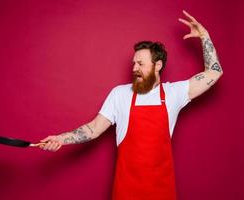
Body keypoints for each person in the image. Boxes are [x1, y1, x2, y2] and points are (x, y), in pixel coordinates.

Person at [39, 10, 223, 200]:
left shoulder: (173, 93)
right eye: (133, 63)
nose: (134, 68)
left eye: (140, 64)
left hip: (162, 193)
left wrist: (204, 35)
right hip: (126, 192)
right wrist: (61, 139)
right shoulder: (120, 94)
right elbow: (93, 129)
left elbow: (214, 73)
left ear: (157, 65)